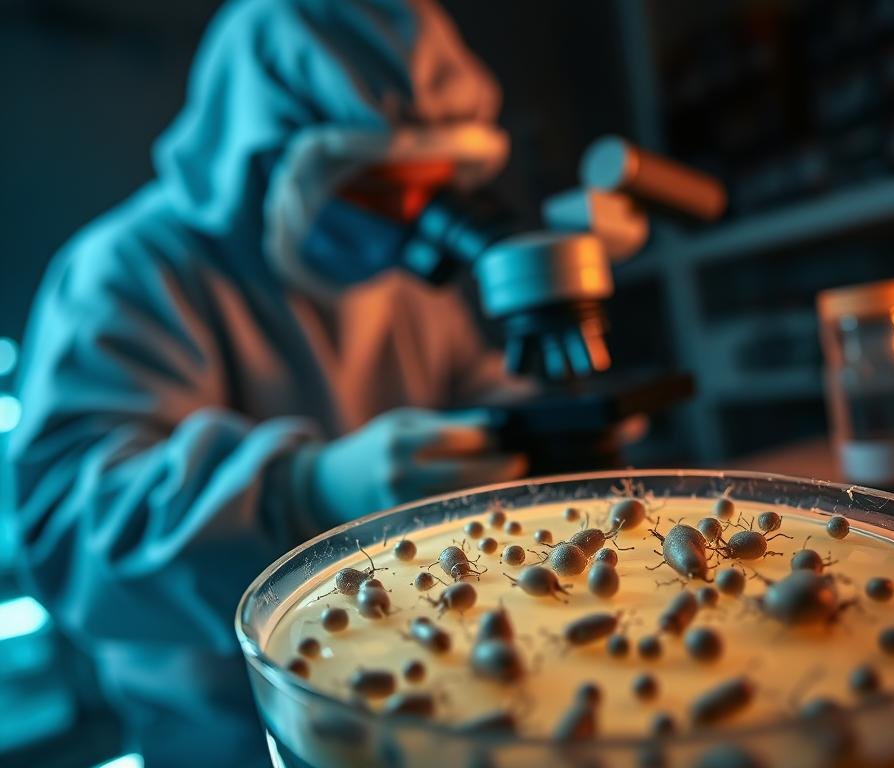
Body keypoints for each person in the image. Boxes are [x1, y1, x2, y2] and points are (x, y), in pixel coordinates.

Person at [4, 1, 527, 765]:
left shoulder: (399, 270)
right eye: (375, 188)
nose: (405, 220)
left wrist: (535, 423)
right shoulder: (128, 272)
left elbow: (472, 385)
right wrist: (297, 493)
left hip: (423, 701)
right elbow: (66, 532)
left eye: (430, 187)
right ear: (264, 152)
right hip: (229, 734)